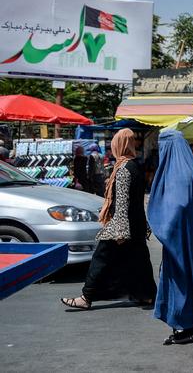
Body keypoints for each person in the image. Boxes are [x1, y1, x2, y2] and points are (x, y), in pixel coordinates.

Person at [61, 129, 156, 309]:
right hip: (135, 224)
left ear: (119, 145)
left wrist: (119, 230)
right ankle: (147, 295)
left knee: (100, 258)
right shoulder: (134, 165)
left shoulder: (123, 169)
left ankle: (86, 297)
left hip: (121, 224)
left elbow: (122, 201)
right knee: (138, 260)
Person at [147, 130, 193, 345]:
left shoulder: (177, 175)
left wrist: (161, 227)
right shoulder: (192, 171)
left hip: (179, 241)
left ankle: (185, 325)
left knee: (181, 281)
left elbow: (175, 209)